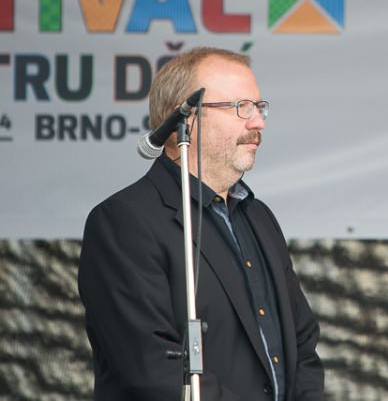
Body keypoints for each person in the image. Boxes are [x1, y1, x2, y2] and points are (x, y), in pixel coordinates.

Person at [78, 47, 324, 400]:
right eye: (241, 107)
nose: (258, 122)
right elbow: (151, 368)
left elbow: (302, 344)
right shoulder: (124, 222)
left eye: (259, 107)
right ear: (185, 120)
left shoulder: (258, 217)